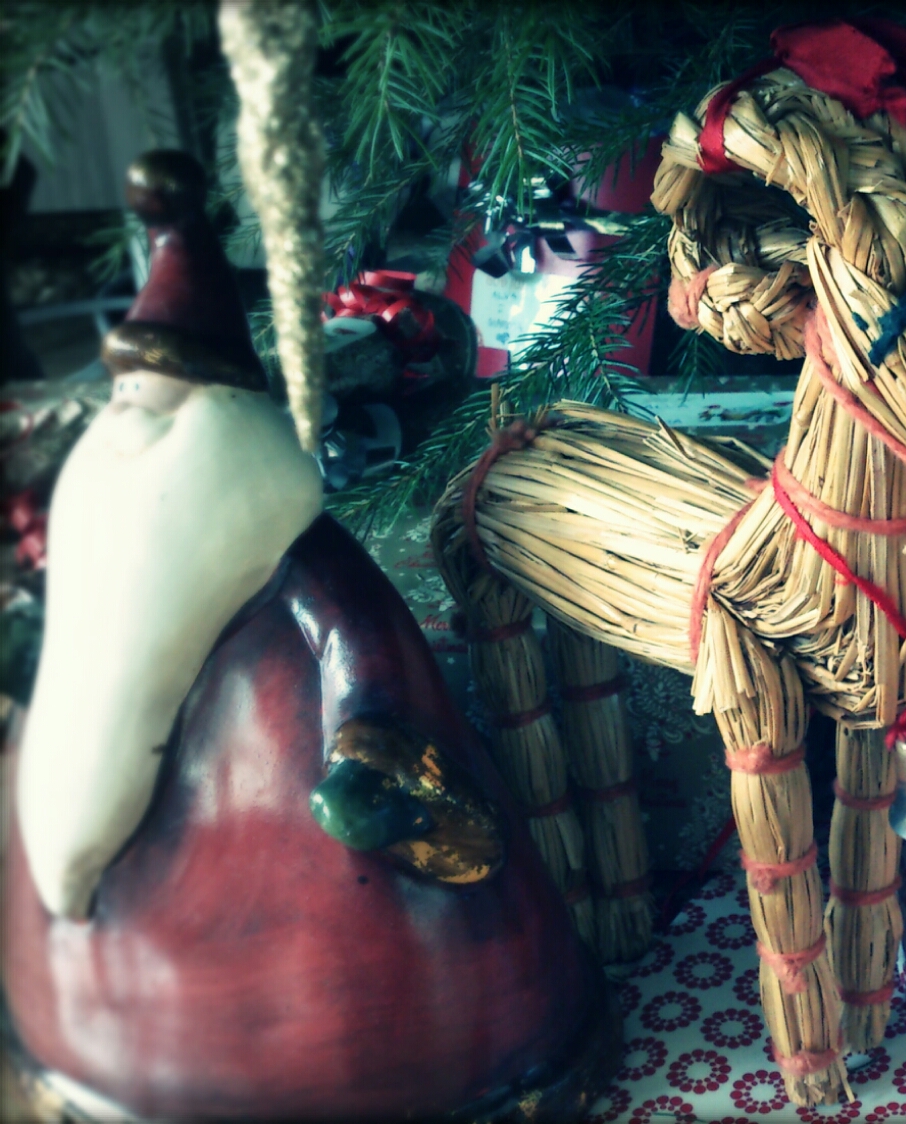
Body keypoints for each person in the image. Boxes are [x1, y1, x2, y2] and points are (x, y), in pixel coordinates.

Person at [4, 151, 614, 1120]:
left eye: (155, 407)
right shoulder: (112, 577)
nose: (125, 440)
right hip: (120, 994)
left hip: (334, 945)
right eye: (125, 403)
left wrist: (373, 757)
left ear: (230, 433)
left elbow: (364, 663)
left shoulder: (297, 569)